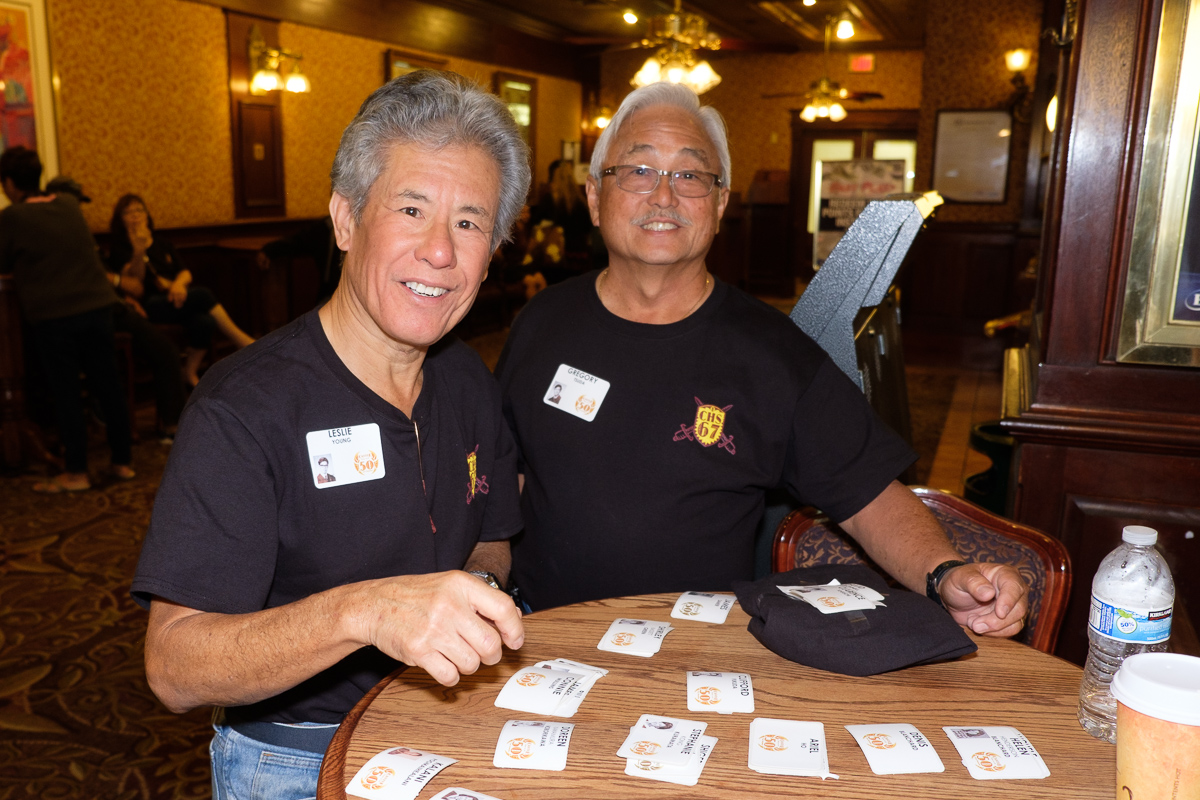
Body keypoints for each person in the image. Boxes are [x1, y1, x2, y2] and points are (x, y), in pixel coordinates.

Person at [495, 83, 1028, 641]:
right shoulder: (541, 323)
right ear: (594, 197)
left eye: (690, 175)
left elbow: (869, 496)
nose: (664, 195)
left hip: (696, 649)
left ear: (720, 205)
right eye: (639, 171)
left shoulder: (774, 352)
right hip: (543, 633)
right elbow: (501, 479)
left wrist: (945, 574)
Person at [132, 70, 531, 799]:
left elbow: (493, 536)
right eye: (411, 209)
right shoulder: (243, 408)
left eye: (470, 223)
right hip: (296, 755)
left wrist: (472, 593)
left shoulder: (468, 378)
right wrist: (367, 611)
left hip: (451, 724)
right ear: (346, 221)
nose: (441, 251)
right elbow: (174, 668)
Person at [0, 146, 135, 492]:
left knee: (67, 392)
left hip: (56, 314)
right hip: (98, 306)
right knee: (108, 386)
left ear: (10, 183)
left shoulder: (13, 218)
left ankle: (76, 472)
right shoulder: (68, 205)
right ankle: (122, 463)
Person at [48, 176, 186, 442]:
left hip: (114, 306)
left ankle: (171, 426)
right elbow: (96, 278)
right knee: (139, 356)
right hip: (86, 313)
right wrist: (116, 284)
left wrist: (120, 289)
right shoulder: (58, 236)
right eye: (73, 203)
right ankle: (124, 427)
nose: (78, 209)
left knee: (169, 347)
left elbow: (134, 287)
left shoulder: (83, 233)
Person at [107, 194, 256, 387]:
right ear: (120, 219)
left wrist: (178, 285)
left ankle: (189, 371)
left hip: (176, 298)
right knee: (202, 294)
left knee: (205, 321)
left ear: (147, 215)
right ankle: (241, 340)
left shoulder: (162, 243)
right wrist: (139, 250)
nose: (135, 215)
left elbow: (185, 272)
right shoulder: (119, 247)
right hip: (148, 305)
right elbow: (135, 283)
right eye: (128, 212)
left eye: (139, 210)